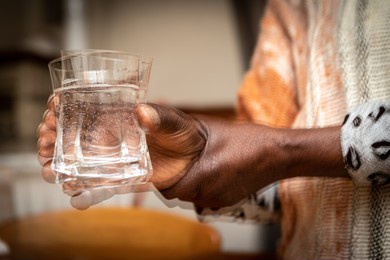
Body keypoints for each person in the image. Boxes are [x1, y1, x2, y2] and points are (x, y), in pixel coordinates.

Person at [37, 0, 390, 259]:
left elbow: (279, 152)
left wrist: (280, 152)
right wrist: (185, 172)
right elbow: (283, 184)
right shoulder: (292, 8)